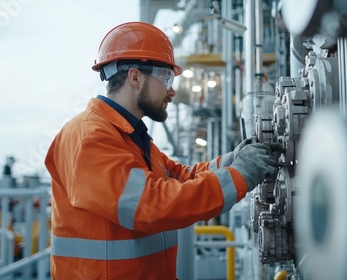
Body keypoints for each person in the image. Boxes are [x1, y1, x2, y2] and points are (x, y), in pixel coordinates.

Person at [45, 22, 280, 280]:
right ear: (135, 77)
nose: (172, 90)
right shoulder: (90, 137)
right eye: (166, 77)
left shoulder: (129, 135)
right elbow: (151, 204)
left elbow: (178, 177)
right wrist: (239, 175)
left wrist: (233, 161)